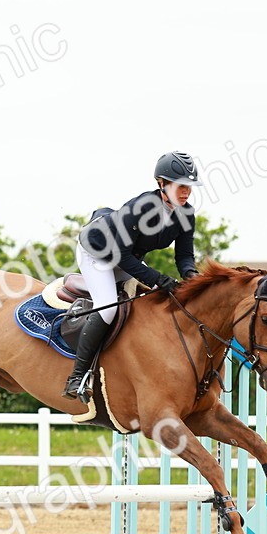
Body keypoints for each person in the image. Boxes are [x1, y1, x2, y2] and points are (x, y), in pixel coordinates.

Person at [61, 151, 203, 400]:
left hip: (127, 256)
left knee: (155, 302)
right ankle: (77, 377)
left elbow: (184, 256)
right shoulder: (141, 208)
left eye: (189, 187)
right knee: (108, 308)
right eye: (180, 186)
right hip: (98, 254)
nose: (186, 192)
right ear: (162, 183)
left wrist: (193, 278)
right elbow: (122, 256)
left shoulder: (186, 214)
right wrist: (157, 278)